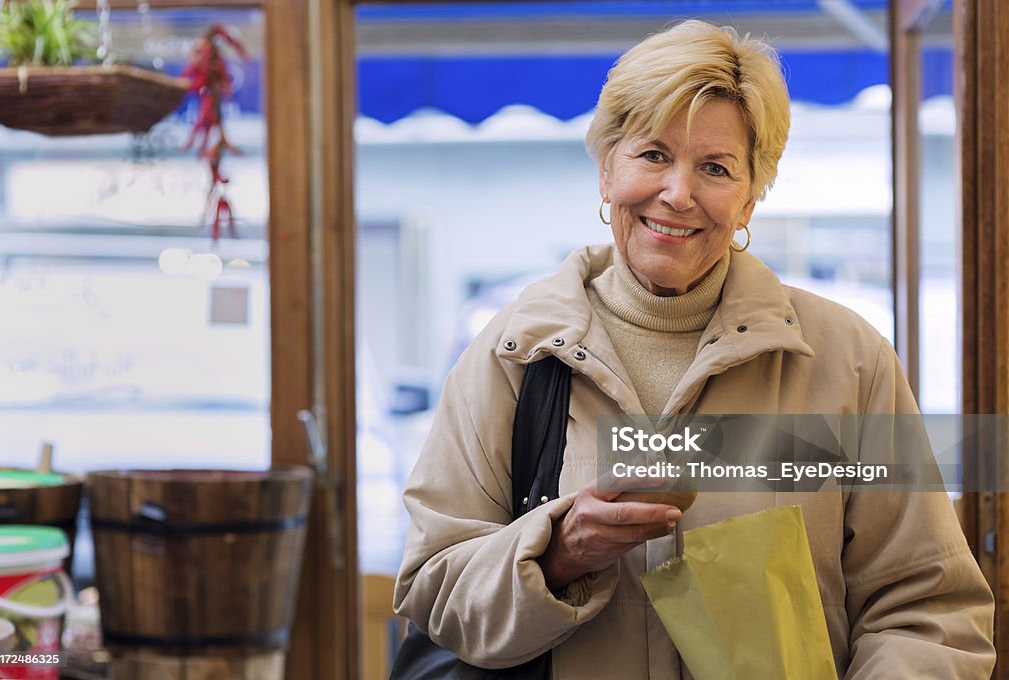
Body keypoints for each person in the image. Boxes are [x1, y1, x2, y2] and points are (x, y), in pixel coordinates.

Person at [394, 19, 995, 678]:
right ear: (606, 169)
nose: (678, 193)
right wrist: (556, 553)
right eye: (653, 154)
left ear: (749, 199)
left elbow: (926, 609)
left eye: (714, 167)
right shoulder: (510, 357)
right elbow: (433, 592)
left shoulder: (850, 362)